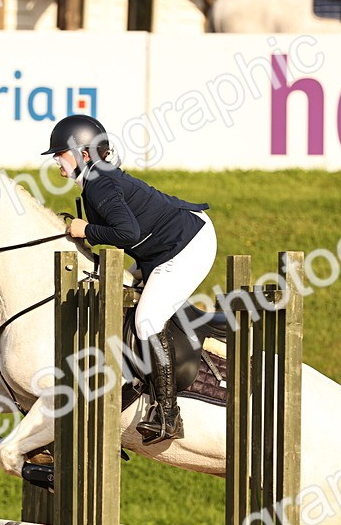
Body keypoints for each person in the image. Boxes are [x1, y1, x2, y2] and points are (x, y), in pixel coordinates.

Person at [41, 114, 216, 445]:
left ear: (84, 154)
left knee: (148, 320)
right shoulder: (97, 179)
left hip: (188, 245)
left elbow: (127, 232)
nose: (55, 161)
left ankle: (168, 415)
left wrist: (86, 230)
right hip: (164, 247)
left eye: (60, 153)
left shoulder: (99, 183)